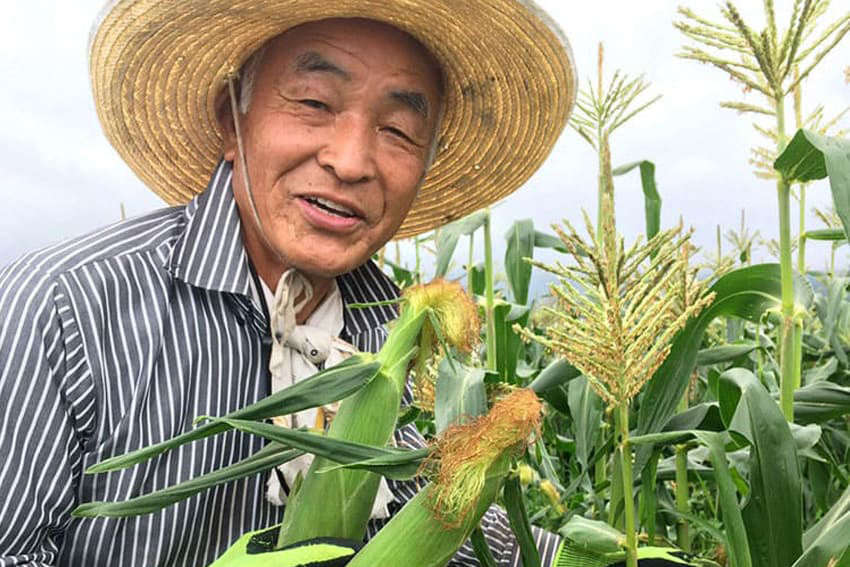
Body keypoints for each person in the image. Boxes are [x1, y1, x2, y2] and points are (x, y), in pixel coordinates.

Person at [0, 1, 576, 565]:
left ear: (424, 165)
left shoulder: (392, 336)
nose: (351, 162)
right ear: (232, 120)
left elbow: (440, 524)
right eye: (313, 102)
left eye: (399, 130)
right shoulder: (64, 309)